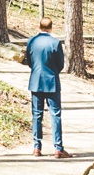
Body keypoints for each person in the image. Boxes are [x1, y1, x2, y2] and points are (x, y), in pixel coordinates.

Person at [24, 17, 71, 158]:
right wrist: (53, 71)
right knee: (55, 114)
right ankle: (58, 148)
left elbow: (29, 61)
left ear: (39, 27)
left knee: (37, 115)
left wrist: (36, 70)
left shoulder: (31, 41)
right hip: (51, 82)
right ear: (51, 28)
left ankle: (36, 147)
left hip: (36, 82)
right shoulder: (55, 43)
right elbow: (60, 64)